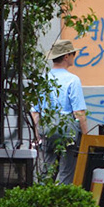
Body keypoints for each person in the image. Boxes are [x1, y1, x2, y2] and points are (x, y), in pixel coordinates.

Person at [31, 38, 88, 182]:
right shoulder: (73, 80)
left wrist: (37, 135)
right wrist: (86, 136)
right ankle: (63, 194)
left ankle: (43, 195)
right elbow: (79, 113)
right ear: (66, 56)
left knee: (46, 172)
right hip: (67, 131)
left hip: (47, 129)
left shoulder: (42, 79)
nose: (74, 56)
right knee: (67, 173)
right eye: (73, 54)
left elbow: (35, 112)